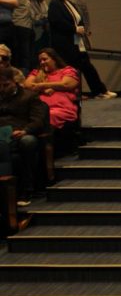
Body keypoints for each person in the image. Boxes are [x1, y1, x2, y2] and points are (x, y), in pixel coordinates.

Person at [64, 0, 115, 98]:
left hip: (81, 35)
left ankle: (98, 90)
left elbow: (85, 14)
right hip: (71, 35)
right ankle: (88, 91)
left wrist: (87, 30)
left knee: (85, 64)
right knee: (78, 65)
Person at [0, 63, 46, 205]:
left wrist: (25, 130)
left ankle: (25, 190)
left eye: (6, 85)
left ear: (14, 81)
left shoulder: (29, 97)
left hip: (21, 133)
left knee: (28, 142)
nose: (2, 89)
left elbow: (39, 120)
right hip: (1, 135)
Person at [23, 47, 78, 149]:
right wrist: (48, 88)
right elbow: (28, 85)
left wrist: (41, 85)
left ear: (54, 59)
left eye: (45, 59)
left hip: (61, 109)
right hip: (39, 109)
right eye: (40, 61)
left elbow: (67, 84)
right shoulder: (37, 72)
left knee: (49, 115)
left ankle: (47, 150)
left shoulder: (66, 70)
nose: (42, 62)